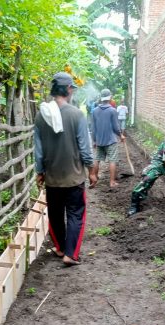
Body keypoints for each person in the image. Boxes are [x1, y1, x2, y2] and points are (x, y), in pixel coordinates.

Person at [34, 72, 97, 266]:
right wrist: (92, 170)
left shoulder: (41, 116)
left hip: (52, 178)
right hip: (73, 178)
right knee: (75, 214)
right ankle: (71, 254)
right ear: (69, 89)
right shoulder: (76, 114)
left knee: (54, 214)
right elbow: (84, 147)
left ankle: (60, 248)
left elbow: (39, 149)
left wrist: (40, 171)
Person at [92, 89, 124, 188]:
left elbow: (93, 128)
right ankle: (112, 182)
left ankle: (94, 178)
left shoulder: (94, 111)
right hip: (110, 141)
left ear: (101, 98)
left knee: (97, 159)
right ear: (110, 97)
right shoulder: (112, 110)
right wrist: (120, 135)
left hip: (99, 141)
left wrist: (94, 140)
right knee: (112, 160)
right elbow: (115, 127)